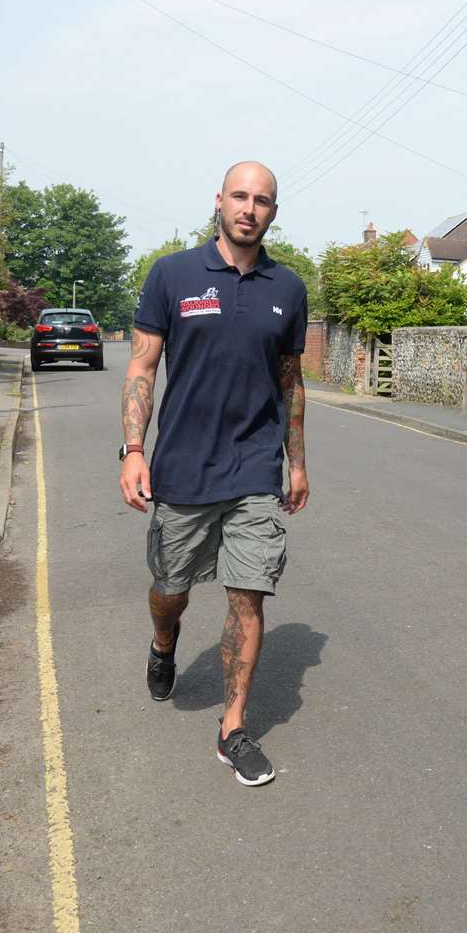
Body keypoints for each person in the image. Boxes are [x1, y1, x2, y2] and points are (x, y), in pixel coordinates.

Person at [118, 160, 308, 787]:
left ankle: (232, 730)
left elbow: (290, 381)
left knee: (248, 595)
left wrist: (297, 462)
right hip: (182, 469)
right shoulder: (173, 274)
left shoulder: (289, 287)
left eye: (263, 200)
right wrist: (134, 449)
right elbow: (143, 369)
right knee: (170, 588)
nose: (250, 208)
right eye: (240, 196)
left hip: (255, 469)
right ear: (219, 201)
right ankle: (164, 643)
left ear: (273, 212)